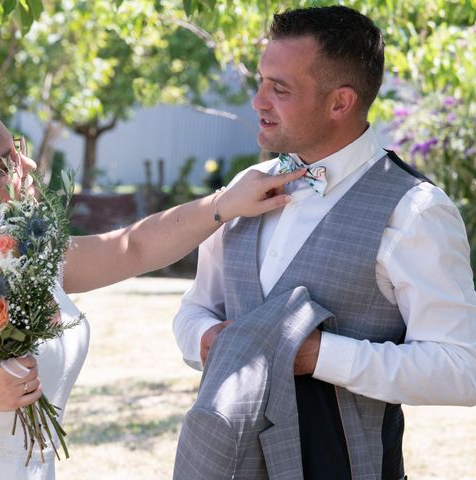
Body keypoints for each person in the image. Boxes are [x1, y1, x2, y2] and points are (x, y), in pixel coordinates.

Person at [0, 103, 304, 480]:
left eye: (15, 147)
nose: (27, 163)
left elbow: (132, 247)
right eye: (5, 161)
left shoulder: (27, 254)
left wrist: (225, 203)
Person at [173, 5, 476, 479]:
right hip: (221, 460)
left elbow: (462, 368)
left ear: (340, 103)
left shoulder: (416, 211)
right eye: (261, 81)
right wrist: (204, 339)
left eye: (280, 89)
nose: (257, 102)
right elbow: (195, 308)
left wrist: (320, 356)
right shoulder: (245, 187)